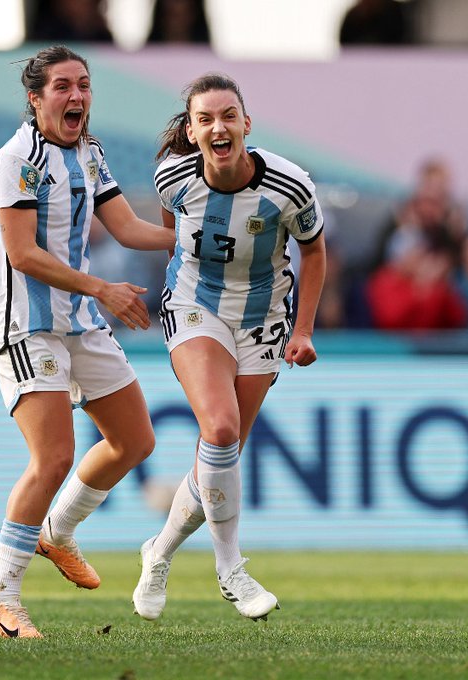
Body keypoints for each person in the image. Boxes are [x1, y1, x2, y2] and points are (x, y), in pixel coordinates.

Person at [0, 45, 174, 638]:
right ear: (36, 99)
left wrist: (193, 234)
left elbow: (127, 227)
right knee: (55, 456)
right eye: (62, 87)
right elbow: (23, 254)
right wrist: (102, 288)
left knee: (135, 441)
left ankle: (57, 532)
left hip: (81, 322)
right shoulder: (17, 158)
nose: (77, 96)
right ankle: (0, 597)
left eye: (83, 85)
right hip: (26, 326)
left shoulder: (90, 152)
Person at [132, 74, 326, 621]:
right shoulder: (173, 178)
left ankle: (159, 552)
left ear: (245, 123)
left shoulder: (291, 186)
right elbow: (176, 238)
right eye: (205, 119)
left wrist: (304, 330)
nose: (218, 126)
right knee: (218, 429)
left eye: (227, 115)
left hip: (263, 317)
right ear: (192, 133)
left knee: (219, 456)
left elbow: (314, 253)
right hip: (196, 306)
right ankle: (231, 571)